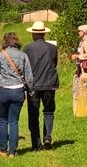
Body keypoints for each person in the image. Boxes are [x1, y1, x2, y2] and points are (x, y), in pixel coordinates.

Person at [0, 31, 33, 158]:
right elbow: (28, 76)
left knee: (3, 121)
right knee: (14, 121)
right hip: (17, 90)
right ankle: (12, 151)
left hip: (2, 90)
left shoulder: (0, 56)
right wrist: (31, 90)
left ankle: (2, 149)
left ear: (5, 42)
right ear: (16, 41)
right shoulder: (23, 56)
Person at [24, 20, 60, 151]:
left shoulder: (27, 49)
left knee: (33, 114)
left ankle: (36, 144)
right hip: (49, 84)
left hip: (33, 85)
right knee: (49, 111)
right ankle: (48, 137)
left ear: (33, 34)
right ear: (44, 34)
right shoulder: (52, 48)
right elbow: (54, 64)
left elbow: (25, 68)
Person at [71, 23, 87, 96]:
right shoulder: (84, 41)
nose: (78, 32)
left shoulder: (85, 42)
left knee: (82, 89)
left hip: (84, 68)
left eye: (79, 31)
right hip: (81, 68)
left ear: (84, 32)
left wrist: (78, 56)